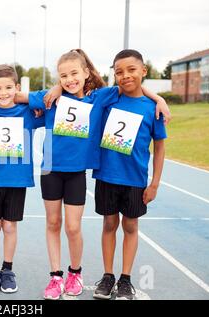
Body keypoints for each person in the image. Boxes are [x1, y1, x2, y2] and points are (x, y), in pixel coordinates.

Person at [17, 49, 169, 300]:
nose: (69, 79)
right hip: (50, 170)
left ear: (86, 73)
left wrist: (159, 98)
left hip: (80, 173)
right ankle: (55, 276)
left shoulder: (98, 98)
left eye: (74, 73)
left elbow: (129, 88)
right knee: (54, 223)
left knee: (74, 227)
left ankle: (76, 273)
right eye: (63, 76)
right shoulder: (49, 98)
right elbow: (17, 96)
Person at [92, 49, 166, 300]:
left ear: (144, 71)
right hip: (106, 176)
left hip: (135, 179)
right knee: (109, 224)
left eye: (131, 70)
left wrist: (154, 183)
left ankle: (125, 279)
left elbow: (159, 147)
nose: (125, 76)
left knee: (131, 225)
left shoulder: (152, 108)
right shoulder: (108, 98)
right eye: (119, 72)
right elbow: (79, 90)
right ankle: (107, 276)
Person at [0, 64, 44, 294]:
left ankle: (8, 269)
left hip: (17, 180)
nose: (3, 93)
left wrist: (27, 99)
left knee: (10, 226)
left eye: (8, 88)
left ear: (17, 88)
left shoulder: (28, 112)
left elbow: (50, 99)